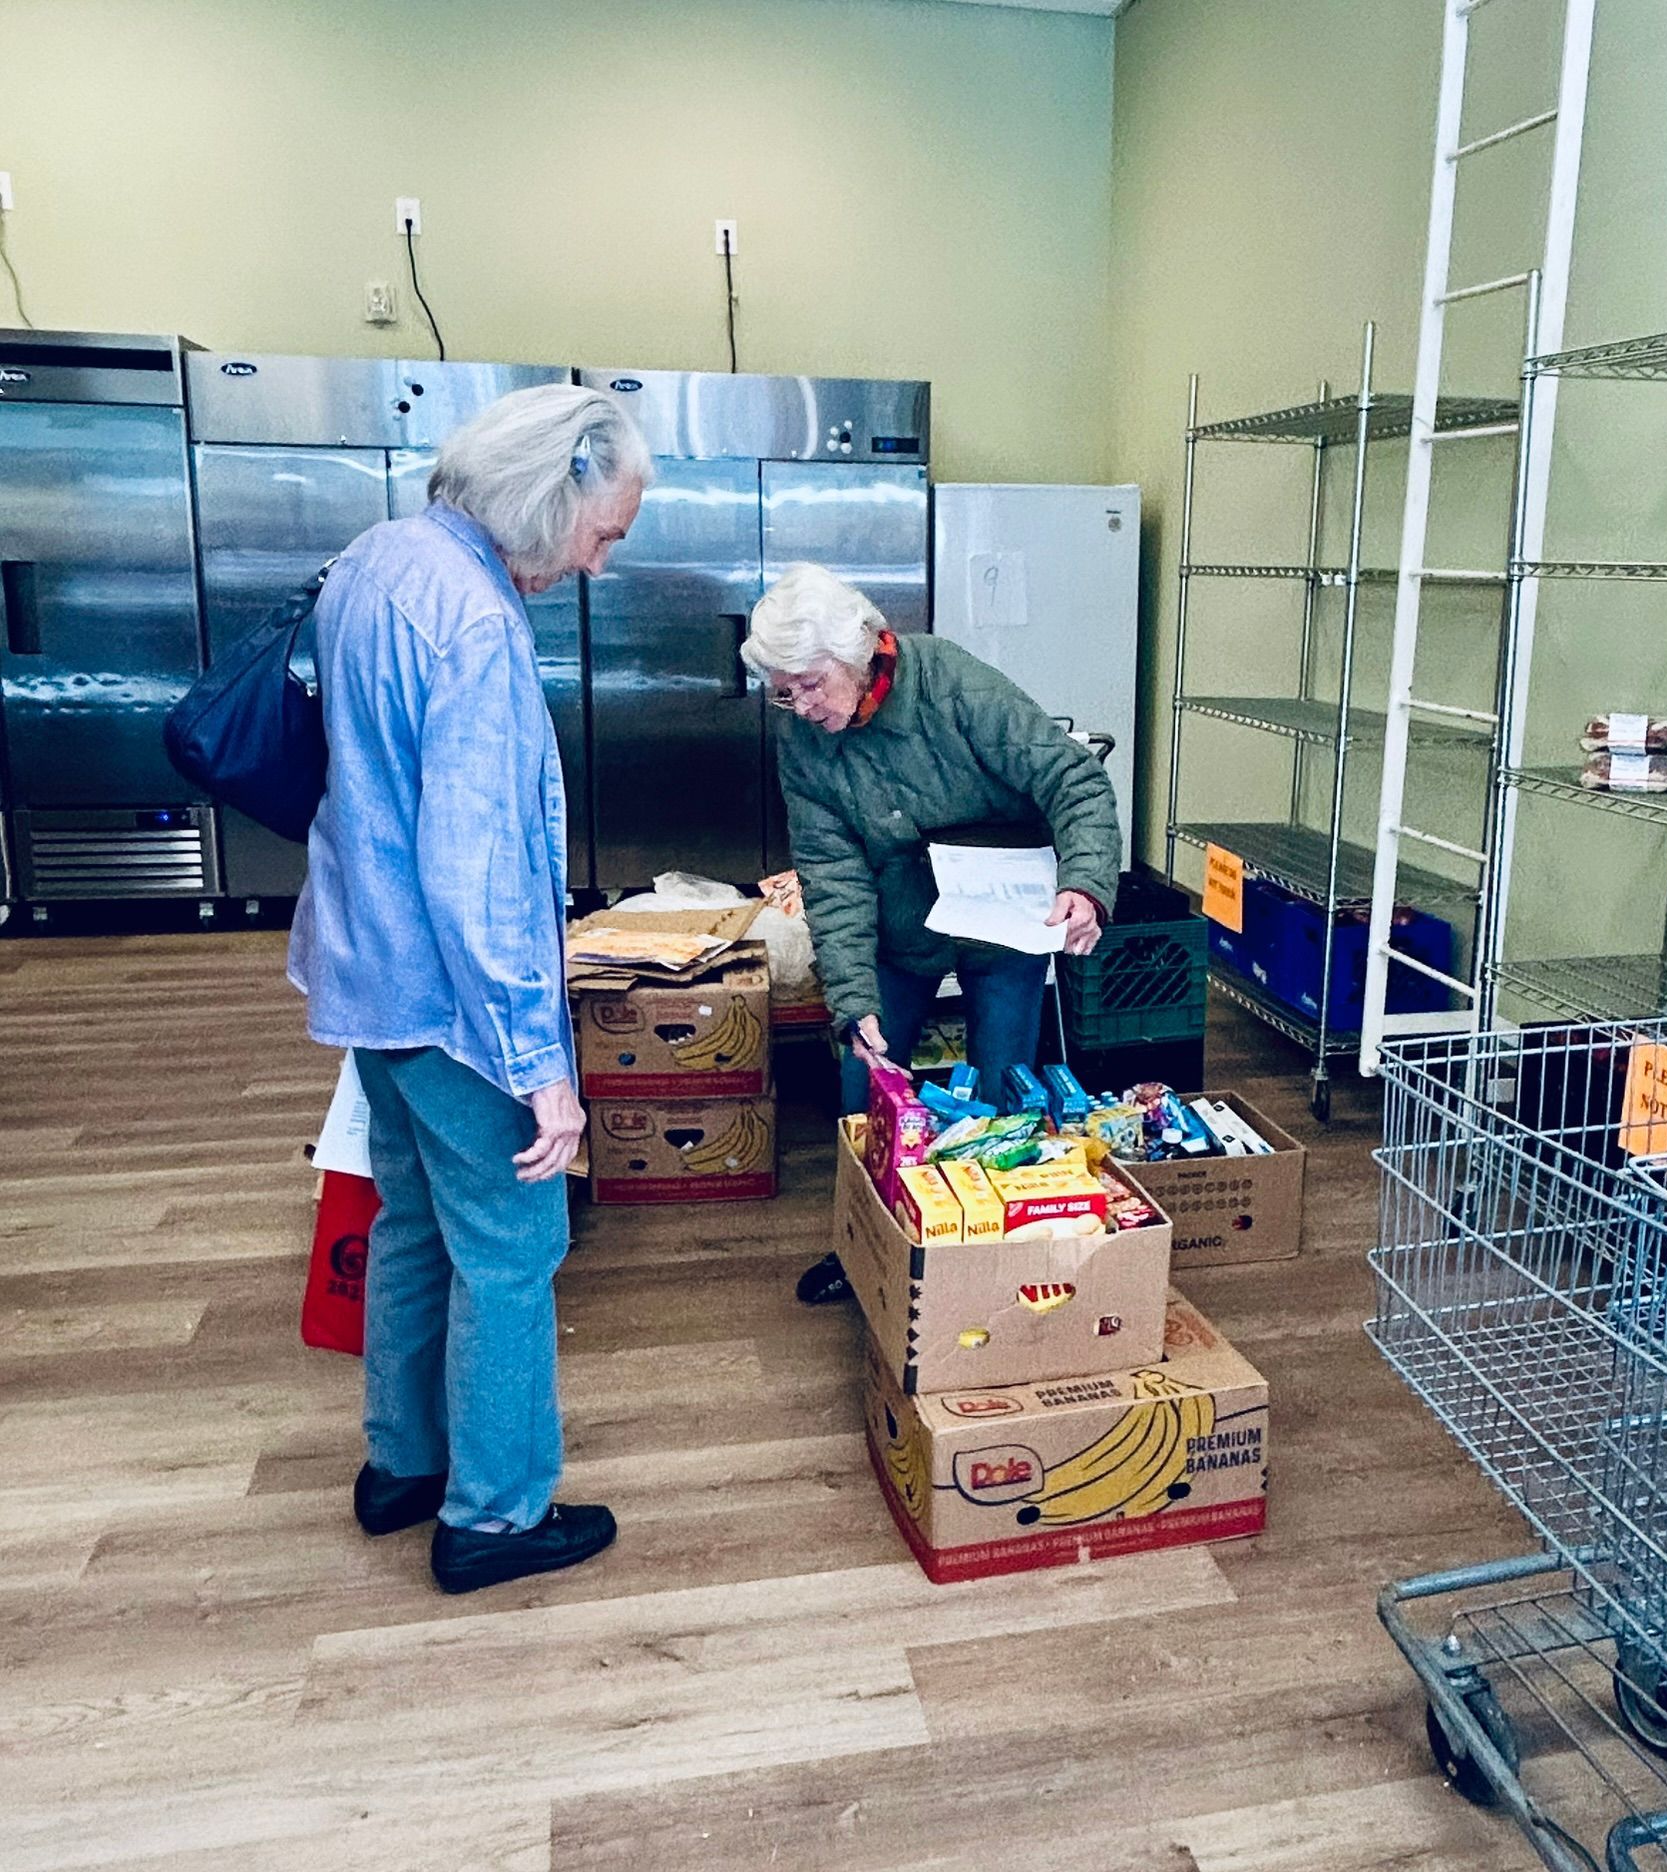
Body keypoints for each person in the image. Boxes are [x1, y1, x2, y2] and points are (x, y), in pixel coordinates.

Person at [289, 384, 650, 1593]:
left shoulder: (374, 560)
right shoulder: (479, 626)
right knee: (511, 1247)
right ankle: (492, 1518)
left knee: (413, 1224)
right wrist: (543, 1071)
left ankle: (402, 1467)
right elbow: (482, 877)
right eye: (604, 535)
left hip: (368, 977)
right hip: (452, 1004)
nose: (598, 566)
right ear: (554, 494)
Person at [742, 563, 1122, 1306]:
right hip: (901, 914)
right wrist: (853, 1000)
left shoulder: (952, 685)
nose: (801, 706)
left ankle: (997, 1260)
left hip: (1006, 909)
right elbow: (831, 868)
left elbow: (1073, 781)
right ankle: (864, 1251)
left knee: (1003, 1088)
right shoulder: (805, 736)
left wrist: (1084, 885)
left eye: (811, 684)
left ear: (856, 653)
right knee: (865, 1077)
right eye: (784, 691)